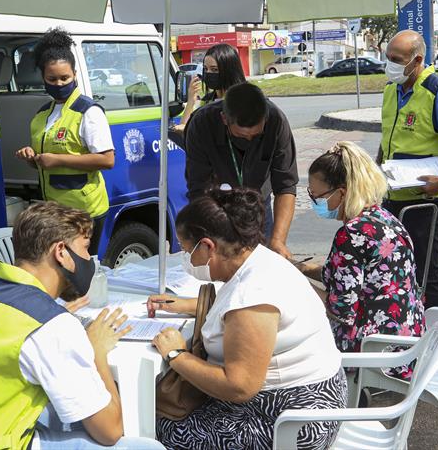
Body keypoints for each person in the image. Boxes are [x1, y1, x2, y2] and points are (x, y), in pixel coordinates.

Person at [0, 202, 164, 450]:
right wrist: (96, 352)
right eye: (86, 249)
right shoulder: (50, 326)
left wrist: (52, 313)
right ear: (61, 252)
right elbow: (111, 431)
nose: (89, 259)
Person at [147, 188, 346, 450]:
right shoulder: (261, 261)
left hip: (289, 422)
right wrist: (188, 306)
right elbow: (241, 316)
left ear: (208, 246)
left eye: (186, 250)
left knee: (153, 427)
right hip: (307, 402)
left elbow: (239, 387)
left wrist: (176, 355)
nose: (186, 259)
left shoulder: (252, 294)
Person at [299, 142, 425, 380]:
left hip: (373, 350)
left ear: (342, 193)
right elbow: (350, 276)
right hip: (407, 340)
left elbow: (340, 310)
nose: (314, 200)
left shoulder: (351, 234)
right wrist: (303, 268)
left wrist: (297, 283)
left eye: (317, 196)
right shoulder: (384, 217)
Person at [379, 30, 438, 309]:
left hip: (427, 198)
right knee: (395, 266)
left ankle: (435, 329)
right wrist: (376, 174)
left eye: (396, 59)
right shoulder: (391, 89)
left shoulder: (437, 91)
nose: (390, 64)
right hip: (394, 195)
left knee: (425, 270)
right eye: (388, 57)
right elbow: (388, 141)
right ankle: (405, 325)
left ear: (417, 60)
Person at [16, 28, 115, 256]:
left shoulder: (88, 111)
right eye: (52, 79)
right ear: (43, 78)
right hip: (55, 211)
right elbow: (45, 162)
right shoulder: (42, 115)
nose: (59, 83)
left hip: (84, 211)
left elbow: (107, 160)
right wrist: (32, 157)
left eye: (65, 78)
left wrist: (58, 159)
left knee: (81, 269)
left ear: (75, 74)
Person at [184, 82, 298, 259]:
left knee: (262, 262)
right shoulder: (201, 124)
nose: (250, 140)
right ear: (224, 119)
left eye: (256, 136)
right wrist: (214, 237)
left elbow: (286, 185)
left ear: (265, 118)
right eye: (242, 136)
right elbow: (198, 189)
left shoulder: (276, 121)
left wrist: (278, 240)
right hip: (219, 207)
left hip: (259, 206)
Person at [174, 43, 246, 132]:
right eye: (205, 69)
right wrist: (191, 101)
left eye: (214, 69)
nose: (208, 73)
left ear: (229, 70)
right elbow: (184, 127)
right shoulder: (208, 100)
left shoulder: (241, 102)